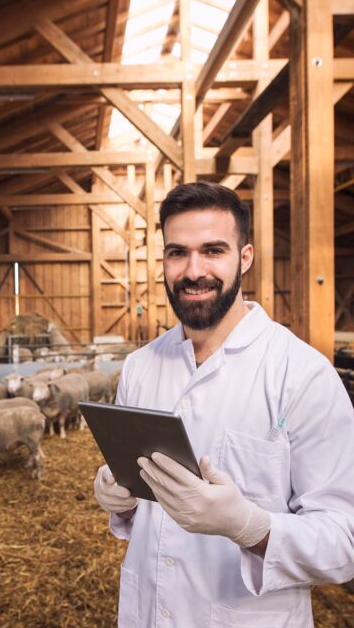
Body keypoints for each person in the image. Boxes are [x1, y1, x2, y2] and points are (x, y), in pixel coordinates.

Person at [93, 181, 354, 627]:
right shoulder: (140, 367)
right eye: (178, 253)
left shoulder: (302, 374)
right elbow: (146, 515)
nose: (193, 271)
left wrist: (249, 527)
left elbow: (344, 542)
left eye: (213, 250)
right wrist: (121, 498)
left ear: (244, 257)